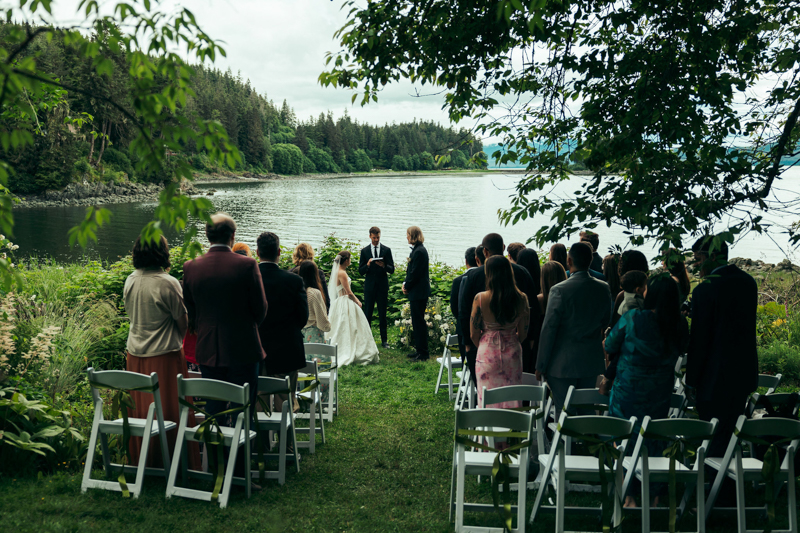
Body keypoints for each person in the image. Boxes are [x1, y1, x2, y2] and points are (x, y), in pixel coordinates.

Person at [604, 275, 689, 507]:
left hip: (628, 390)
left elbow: (610, 344)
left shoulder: (633, 318)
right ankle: (654, 493)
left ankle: (629, 494)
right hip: (659, 390)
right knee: (653, 438)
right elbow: (682, 348)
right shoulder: (679, 324)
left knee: (624, 436)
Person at [124, 235, 200, 469]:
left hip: (135, 354)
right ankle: (174, 461)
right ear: (163, 253)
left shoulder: (130, 280)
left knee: (142, 409)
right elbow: (182, 321)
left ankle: (145, 459)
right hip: (164, 356)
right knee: (169, 408)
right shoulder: (167, 282)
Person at [182, 213, 267, 420]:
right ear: (233, 235)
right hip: (244, 347)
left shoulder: (191, 266)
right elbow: (260, 308)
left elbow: (190, 308)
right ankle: (241, 442)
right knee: (243, 410)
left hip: (208, 347)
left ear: (207, 235)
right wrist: (245, 326)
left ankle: (214, 441)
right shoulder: (247, 265)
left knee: (214, 409)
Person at [686, 236, 758, 460]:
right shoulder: (748, 282)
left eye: (698, 259)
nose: (695, 265)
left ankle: (712, 475)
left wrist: (691, 380)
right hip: (742, 370)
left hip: (713, 375)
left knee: (712, 433)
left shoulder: (704, 290)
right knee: (730, 431)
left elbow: (699, 339)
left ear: (713, 257)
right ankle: (726, 474)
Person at [536, 242, 612, 413]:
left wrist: (541, 364)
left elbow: (549, 329)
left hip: (562, 363)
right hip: (590, 360)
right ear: (590, 260)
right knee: (586, 409)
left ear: (569, 261)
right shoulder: (603, 288)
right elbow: (605, 321)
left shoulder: (559, 290)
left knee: (564, 411)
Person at [459, 234, 537, 382]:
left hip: (485, 348)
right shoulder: (522, 275)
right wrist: (528, 339)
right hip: (514, 347)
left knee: (485, 390)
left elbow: (464, 312)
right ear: (503, 248)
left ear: (484, 251)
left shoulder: (474, 278)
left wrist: (469, 343)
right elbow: (532, 312)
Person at [256, 232, 309, 413]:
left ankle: (262, 432)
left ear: (257, 252)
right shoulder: (294, 280)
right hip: (287, 347)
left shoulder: (249, 279)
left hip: (257, 347)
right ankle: (285, 432)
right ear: (278, 252)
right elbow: (303, 317)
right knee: (285, 400)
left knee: (260, 401)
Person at [470, 255, 530, 408]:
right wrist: (510, 339)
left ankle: (488, 421)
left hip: (487, 352)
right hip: (512, 351)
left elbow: (473, 333)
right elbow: (523, 333)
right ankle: (512, 421)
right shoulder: (522, 298)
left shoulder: (480, 298)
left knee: (487, 395)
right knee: (512, 394)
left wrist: (485, 344)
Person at [327, 251, 380, 366]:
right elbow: (349, 292)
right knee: (348, 325)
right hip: (345, 300)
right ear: (346, 260)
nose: (350, 261)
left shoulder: (338, 271)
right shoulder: (342, 273)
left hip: (339, 301)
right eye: (349, 259)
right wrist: (357, 301)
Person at [358, 226, 395, 348]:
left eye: (378, 237)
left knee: (382, 314)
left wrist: (384, 265)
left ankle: (384, 340)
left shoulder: (386, 250)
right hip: (369, 287)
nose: (376, 240)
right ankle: (367, 340)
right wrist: (368, 264)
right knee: (367, 313)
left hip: (382, 286)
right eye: (374, 238)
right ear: (370, 236)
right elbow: (361, 271)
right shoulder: (364, 251)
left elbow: (392, 269)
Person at [403, 226, 431, 362]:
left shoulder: (419, 251)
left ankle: (423, 353)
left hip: (419, 292)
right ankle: (419, 350)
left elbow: (415, 273)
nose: (407, 237)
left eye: (408, 234)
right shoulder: (417, 250)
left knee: (419, 322)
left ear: (413, 236)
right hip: (417, 291)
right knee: (416, 321)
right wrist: (406, 283)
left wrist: (406, 286)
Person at [450, 246, 479, 359]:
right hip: (481, 326)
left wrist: (461, 319)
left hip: (463, 326)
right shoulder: (484, 277)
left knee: (466, 359)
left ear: (466, 261)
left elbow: (454, 306)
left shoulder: (458, 280)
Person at [299, 260, 331, 345]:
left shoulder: (297, 291)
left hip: (299, 333)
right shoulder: (314, 293)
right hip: (314, 333)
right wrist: (328, 327)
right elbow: (321, 319)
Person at [291, 242, 330, 310]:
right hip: (314, 311)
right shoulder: (319, 273)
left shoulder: (290, 273)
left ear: (295, 255)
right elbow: (325, 298)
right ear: (311, 255)